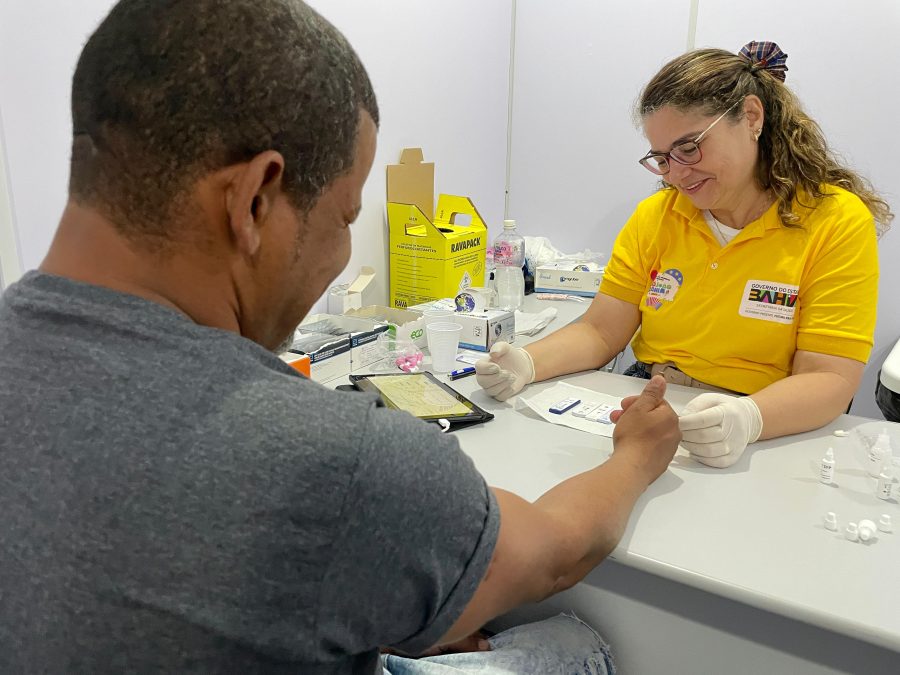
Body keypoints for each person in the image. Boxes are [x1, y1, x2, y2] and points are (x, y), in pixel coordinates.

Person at [0, 1, 682, 672]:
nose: (342, 251)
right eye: (346, 216)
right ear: (254, 202)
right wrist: (637, 456)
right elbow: (555, 551)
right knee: (570, 648)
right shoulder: (337, 463)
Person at [477, 41, 893, 469]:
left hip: (767, 421)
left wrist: (749, 418)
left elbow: (828, 378)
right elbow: (602, 332)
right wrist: (527, 363)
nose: (676, 173)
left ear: (751, 117)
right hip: (655, 401)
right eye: (661, 158)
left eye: (690, 147)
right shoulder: (659, 216)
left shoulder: (833, 221)